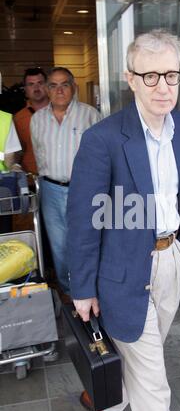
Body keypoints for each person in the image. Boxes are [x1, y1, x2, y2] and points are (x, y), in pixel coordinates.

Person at [67, 30, 180, 411]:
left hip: (170, 259)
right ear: (131, 78)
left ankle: (106, 399)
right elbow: (83, 221)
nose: (163, 87)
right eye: (151, 76)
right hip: (122, 271)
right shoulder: (103, 139)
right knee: (154, 379)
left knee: (142, 352)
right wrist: (83, 288)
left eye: (171, 75)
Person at [31, 67, 101, 300]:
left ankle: (93, 293)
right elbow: (40, 155)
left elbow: (102, 156)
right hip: (50, 190)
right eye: (53, 85)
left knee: (87, 242)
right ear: (46, 89)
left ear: (74, 87)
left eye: (64, 84)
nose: (59, 90)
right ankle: (72, 297)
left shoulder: (90, 115)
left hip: (84, 189)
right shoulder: (37, 119)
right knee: (59, 248)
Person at [14, 67, 49, 174]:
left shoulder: (60, 112)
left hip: (57, 179)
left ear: (47, 86)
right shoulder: (18, 119)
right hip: (30, 179)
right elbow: (15, 151)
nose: (36, 87)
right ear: (25, 89)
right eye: (31, 84)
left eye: (40, 83)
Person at [0, 109, 23, 232]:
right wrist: (14, 167)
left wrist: (15, 167)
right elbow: (9, 161)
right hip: (3, 192)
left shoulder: (5, 119)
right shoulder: (3, 118)